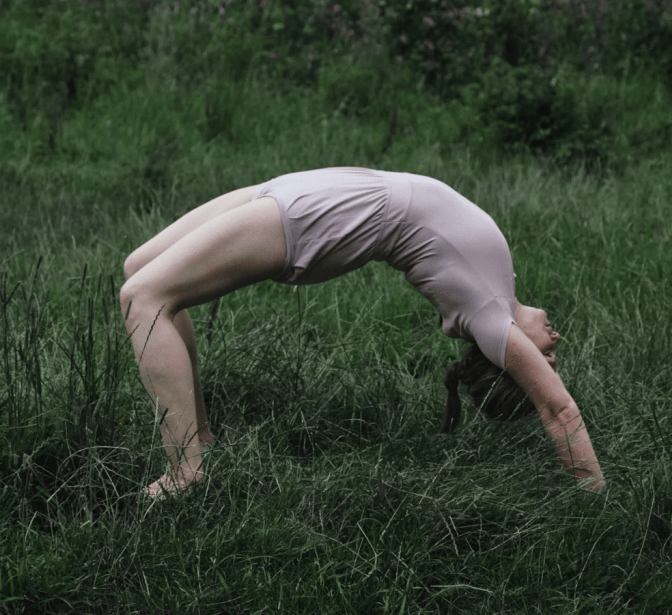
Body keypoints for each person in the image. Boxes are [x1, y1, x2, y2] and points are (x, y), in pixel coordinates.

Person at [120, 167, 605, 498]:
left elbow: (559, 409)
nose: (556, 345)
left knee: (144, 297)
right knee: (139, 267)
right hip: (317, 190)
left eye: (546, 362)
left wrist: (595, 495)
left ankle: (185, 472)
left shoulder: (490, 319)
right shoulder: (499, 292)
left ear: (509, 361)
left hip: (322, 218)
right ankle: (200, 437)